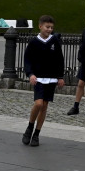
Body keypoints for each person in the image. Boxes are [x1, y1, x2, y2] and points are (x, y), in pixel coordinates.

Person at [21, 14, 65, 147]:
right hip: (38, 78)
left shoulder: (55, 41)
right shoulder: (34, 42)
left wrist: (60, 77)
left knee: (45, 106)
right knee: (38, 104)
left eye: (51, 27)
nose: (49, 29)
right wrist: (30, 74)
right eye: (47, 27)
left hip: (51, 78)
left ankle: (37, 134)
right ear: (40, 26)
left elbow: (60, 60)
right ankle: (29, 127)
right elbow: (27, 59)